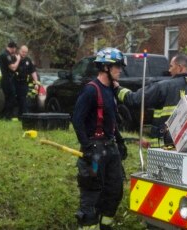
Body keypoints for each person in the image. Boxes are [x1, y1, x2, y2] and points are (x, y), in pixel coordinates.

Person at [72, 47, 128, 230]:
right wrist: (86, 146)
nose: (120, 70)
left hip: (110, 150)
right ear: (105, 67)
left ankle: (105, 226)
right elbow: (77, 119)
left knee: (114, 192)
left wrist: (119, 141)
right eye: (117, 66)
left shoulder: (111, 90)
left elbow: (111, 120)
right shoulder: (91, 90)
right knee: (92, 195)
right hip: (94, 152)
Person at [116, 53, 187, 145]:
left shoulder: (163, 86)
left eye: (171, 66)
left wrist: (118, 89)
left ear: (180, 68)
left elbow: (135, 99)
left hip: (165, 144)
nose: (169, 70)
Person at [14, 45, 39, 116]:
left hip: (24, 83)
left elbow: (33, 72)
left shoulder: (28, 60)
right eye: (23, 51)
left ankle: (23, 115)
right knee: (16, 99)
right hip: (15, 82)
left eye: (25, 52)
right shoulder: (14, 58)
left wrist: (36, 83)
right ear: (19, 50)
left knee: (23, 99)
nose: (24, 53)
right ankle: (15, 115)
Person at [0, 41, 20, 120]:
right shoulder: (5, 55)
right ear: (13, 48)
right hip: (7, 80)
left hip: (7, 79)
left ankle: (2, 115)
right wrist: (18, 60)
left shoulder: (7, 55)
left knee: (9, 98)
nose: (15, 51)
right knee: (11, 98)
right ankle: (7, 116)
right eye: (15, 49)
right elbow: (13, 68)